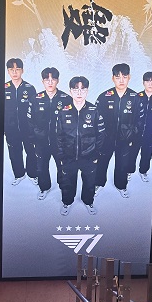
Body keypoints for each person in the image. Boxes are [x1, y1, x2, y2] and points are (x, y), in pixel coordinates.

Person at [56, 76, 105, 216]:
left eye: (82, 89)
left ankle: (88, 201)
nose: (79, 93)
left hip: (89, 156)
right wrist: (61, 156)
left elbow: (101, 135)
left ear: (87, 91)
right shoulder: (63, 111)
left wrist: (96, 154)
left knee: (90, 182)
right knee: (67, 182)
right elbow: (58, 136)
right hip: (69, 157)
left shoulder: (94, 111)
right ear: (70, 91)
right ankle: (67, 202)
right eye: (75, 89)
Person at [95, 63, 144, 197]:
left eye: (124, 77)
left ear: (129, 77)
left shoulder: (135, 97)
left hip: (125, 139)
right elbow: (96, 119)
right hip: (107, 139)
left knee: (122, 164)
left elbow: (140, 120)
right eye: (117, 77)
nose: (121, 80)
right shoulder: (104, 97)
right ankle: (98, 183)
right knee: (102, 162)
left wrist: (132, 135)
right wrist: (100, 137)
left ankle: (121, 185)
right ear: (113, 78)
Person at [27, 67, 72, 200]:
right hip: (41, 141)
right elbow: (30, 121)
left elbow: (72, 123)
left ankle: (63, 189)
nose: (50, 82)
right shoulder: (35, 99)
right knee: (41, 167)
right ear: (42, 81)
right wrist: (33, 138)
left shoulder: (66, 99)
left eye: (53, 79)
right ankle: (44, 187)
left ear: (58, 80)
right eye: (47, 79)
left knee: (62, 167)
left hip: (60, 143)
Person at [4, 58, 37, 185]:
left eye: (17, 69)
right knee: (14, 152)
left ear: (22, 70)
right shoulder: (3, 88)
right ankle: (19, 174)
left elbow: (35, 110)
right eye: (11, 69)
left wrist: (34, 127)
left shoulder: (30, 88)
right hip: (11, 128)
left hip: (28, 128)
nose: (14, 72)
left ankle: (32, 174)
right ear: (8, 71)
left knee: (31, 151)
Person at [132, 71, 152, 182]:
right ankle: (129, 171)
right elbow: (130, 117)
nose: (150, 83)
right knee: (132, 154)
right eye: (147, 81)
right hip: (136, 133)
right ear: (143, 82)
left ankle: (143, 171)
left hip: (151, 134)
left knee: (147, 155)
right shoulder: (136, 97)